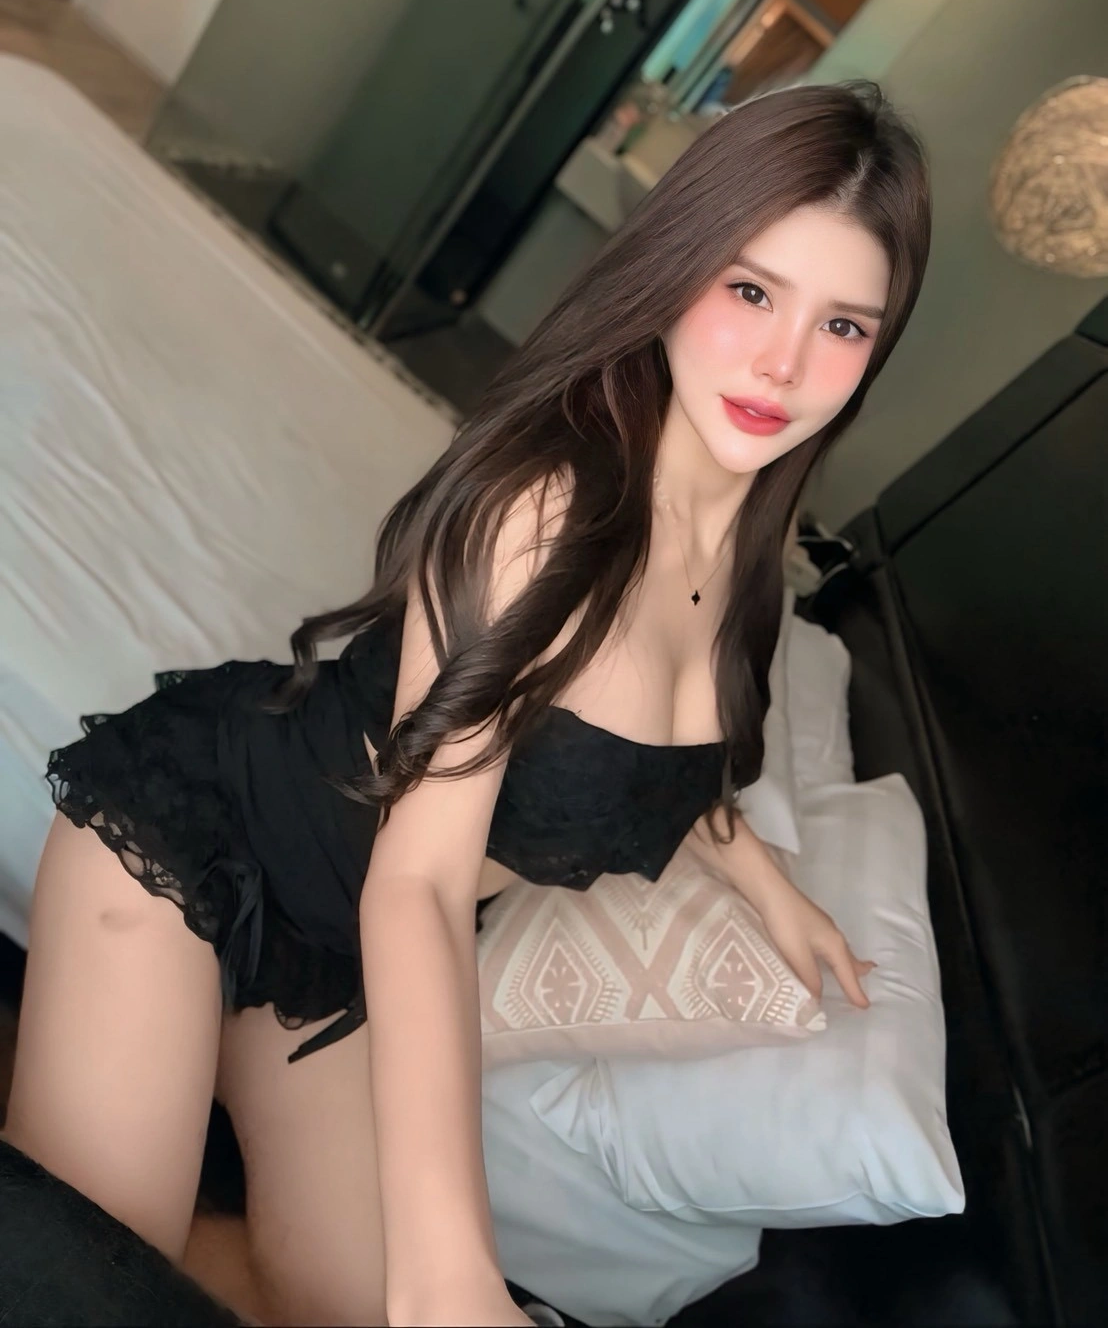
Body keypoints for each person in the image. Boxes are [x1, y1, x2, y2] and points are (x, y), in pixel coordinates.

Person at [3, 79, 930, 1327]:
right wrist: (452, 1268)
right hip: (196, 846)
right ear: (675, 266)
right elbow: (422, 885)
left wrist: (767, 884)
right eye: (751, 291)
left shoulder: (751, 557)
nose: (783, 362)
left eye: (843, 324)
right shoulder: (544, 518)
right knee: (84, 1287)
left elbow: (659, 763)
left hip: (331, 957)